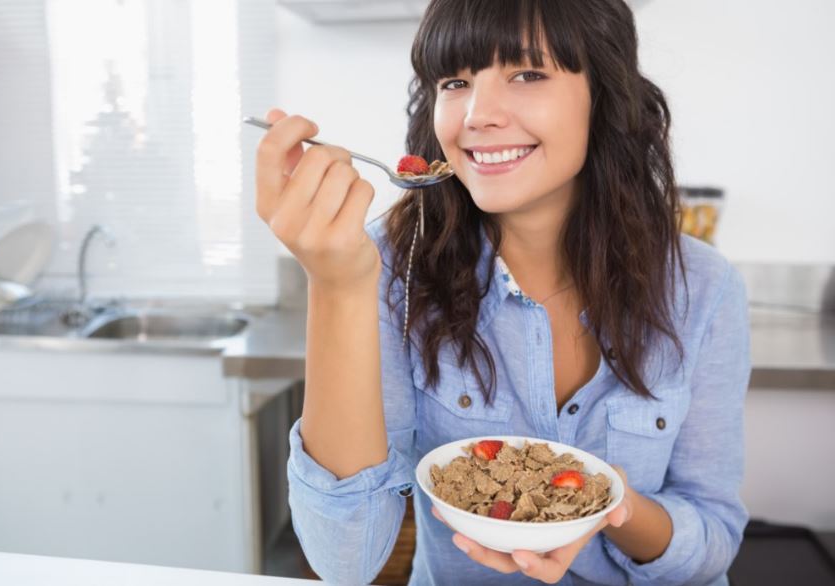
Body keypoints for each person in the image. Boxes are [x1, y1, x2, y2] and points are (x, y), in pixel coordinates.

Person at [253, 0, 751, 584]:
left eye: (528, 74)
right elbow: (345, 561)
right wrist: (336, 288)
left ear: (605, 95)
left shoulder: (703, 287)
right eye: (455, 81)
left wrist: (606, 508)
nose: (477, 114)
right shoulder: (386, 269)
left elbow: (714, 538)